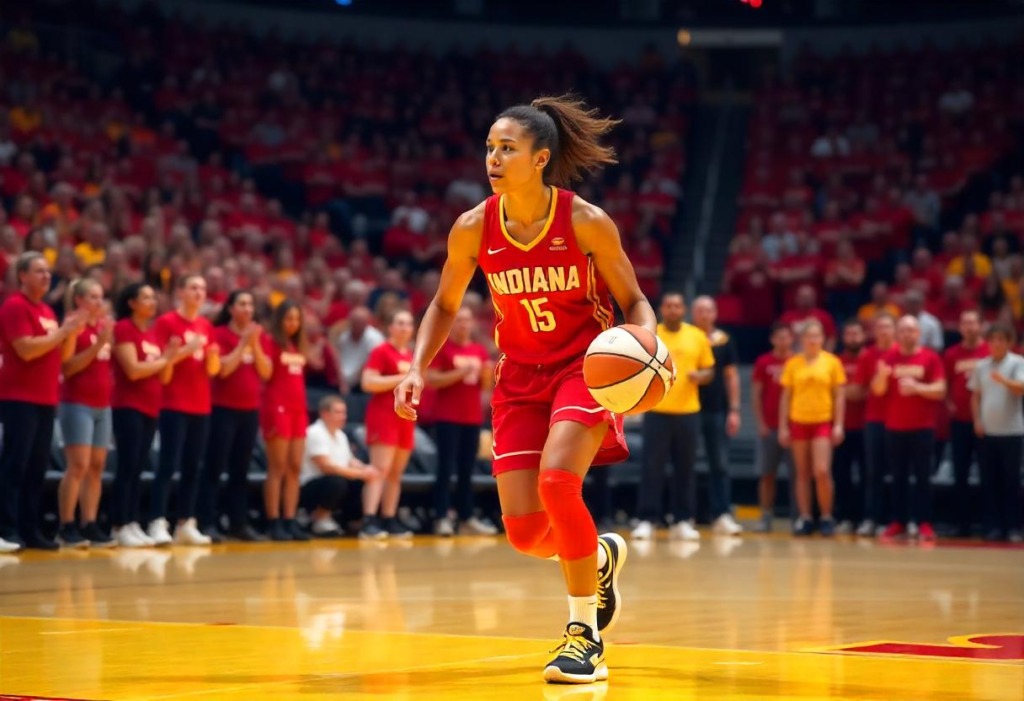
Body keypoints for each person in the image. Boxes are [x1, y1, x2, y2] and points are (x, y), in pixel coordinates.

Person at [392, 95, 653, 684]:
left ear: (540, 158)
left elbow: (635, 301)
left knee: (559, 482)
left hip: (583, 370)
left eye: (506, 148)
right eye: (489, 147)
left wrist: (646, 346)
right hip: (517, 378)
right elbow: (443, 304)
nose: (493, 157)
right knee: (528, 534)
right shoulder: (472, 228)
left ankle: (583, 637)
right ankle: (601, 556)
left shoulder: (585, 220)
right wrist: (414, 368)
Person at [0, 252, 85, 551]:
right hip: (19, 397)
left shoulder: (48, 311)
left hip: (46, 398)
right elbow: (25, 350)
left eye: (49, 272)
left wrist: (71, 333)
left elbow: (60, 356)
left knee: (36, 467)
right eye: (39, 271)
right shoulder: (14, 306)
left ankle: (29, 529)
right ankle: (6, 530)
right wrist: (63, 331)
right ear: (22, 276)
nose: (47, 276)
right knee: (15, 465)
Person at [632, 292, 713, 541]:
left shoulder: (697, 336)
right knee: (651, 468)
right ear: (661, 310)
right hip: (656, 411)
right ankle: (647, 519)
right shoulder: (652, 335)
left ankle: (682, 520)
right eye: (669, 306)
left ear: (684, 309)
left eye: (677, 306)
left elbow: (709, 368)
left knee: (685, 469)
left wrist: (702, 376)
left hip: (688, 412)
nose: (673, 310)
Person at [149, 274, 220, 546]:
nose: (199, 292)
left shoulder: (205, 325)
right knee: (168, 464)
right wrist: (187, 350)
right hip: (173, 403)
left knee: (193, 466)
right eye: (193, 287)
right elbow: (161, 365)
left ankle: (185, 522)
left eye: (203, 288)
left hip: (201, 404)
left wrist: (213, 357)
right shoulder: (167, 322)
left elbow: (213, 370)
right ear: (181, 292)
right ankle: (157, 521)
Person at [109, 283, 178, 548]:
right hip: (128, 405)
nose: (152, 302)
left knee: (138, 467)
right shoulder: (124, 328)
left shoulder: (152, 333)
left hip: (151, 406)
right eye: (146, 298)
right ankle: (119, 524)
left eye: (153, 297)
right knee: (127, 467)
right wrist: (168, 358)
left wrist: (168, 359)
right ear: (132, 303)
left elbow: (164, 375)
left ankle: (132, 522)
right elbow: (134, 370)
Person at [201, 290, 272, 542]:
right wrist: (243, 344)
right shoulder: (220, 334)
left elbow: (266, 372)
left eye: (250, 304)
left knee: (240, 470)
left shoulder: (258, 337)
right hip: (222, 409)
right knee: (214, 467)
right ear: (230, 309)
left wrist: (254, 345)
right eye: (242, 304)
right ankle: (207, 522)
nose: (248, 309)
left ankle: (238, 524)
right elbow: (223, 370)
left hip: (249, 410)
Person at [871, 315, 946, 541]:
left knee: (923, 477)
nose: (906, 334)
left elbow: (940, 390)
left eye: (911, 330)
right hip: (894, 427)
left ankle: (924, 522)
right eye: (902, 330)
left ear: (918, 333)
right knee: (897, 477)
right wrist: (882, 376)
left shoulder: (930, 358)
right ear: (897, 334)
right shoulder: (888, 358)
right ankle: (898, 522)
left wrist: (917, 387)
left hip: (923, 427)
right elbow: (877, 390)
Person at [425, 306, 497, 536]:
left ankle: (466, 517)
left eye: (467, 320)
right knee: (445, 468)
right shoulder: (443, 348)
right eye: (459, 320)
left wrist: (487, 373)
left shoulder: (479, 350)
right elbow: (432, 380)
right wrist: (460, 372)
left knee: (467, 469)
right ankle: (442, 517)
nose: (463, 324)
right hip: (447, 417)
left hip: (472, 417)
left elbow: (485, 386)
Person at [56, 279, 115, 548]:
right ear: (79, 300)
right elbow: (67, 367)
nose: (98, 302)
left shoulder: (100, 327)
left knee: (97, 466)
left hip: (103, 404)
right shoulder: (72, 324)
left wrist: (103, 339)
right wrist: (96, 345)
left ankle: (88, 523)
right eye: (92, 296)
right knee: (78, 465)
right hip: (76, 402)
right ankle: (66, 524)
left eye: (100, 297)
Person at [779, 320, 846, 536]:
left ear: (823, 339)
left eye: (817, 336)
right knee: (802, 473)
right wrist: (783, 426)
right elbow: (786, 397)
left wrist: (838, 424)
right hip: (799, 421)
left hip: (822, 421)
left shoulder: (832, 362)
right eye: (809, 336)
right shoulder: (793, 363)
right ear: (802, 339)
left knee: (822, 471)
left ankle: (826, 517)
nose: (813, 340)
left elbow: (840, 396)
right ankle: (805, 517)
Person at [361, 309, 417, 540]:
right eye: (400, 323)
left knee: (395, 474)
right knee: (379, 471)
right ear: (391, 328)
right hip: (383, 416)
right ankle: (369, 520)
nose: (404, 327)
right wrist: (401, 379)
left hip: (405, 418)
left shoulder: (412, 356)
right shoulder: (381, 351)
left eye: (408, 323)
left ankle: (389, 517)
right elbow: (368, 382)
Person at [692, 295, 744, 535]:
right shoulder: (686, 338)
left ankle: (721, 514)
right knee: (685, 464)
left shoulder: (724, 340)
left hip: (717, 410)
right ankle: (684, 515)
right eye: (700, 310)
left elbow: (731, 377)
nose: (704, 314)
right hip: (687, 409)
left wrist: (734, 410)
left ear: (715, 314)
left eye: (708, 310)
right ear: (693, 314)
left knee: (720, 464)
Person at [969, 324, 1024, 543]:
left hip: (1012, 432)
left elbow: (1021, 388)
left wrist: (1003, 380)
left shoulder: (1017, 362)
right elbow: (975, 396)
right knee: (989, 482)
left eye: (1001, 339)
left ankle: (1013, 527)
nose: (997, 343)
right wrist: (977, 420)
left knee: (1011, 482)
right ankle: (992, 527)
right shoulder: (981, 366)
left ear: (1009, 342)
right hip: (988, 432)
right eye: (993, 339)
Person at [261, 300, 311, 542]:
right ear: (280, 320)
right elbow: (267, 374)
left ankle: (290, 520)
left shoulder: (297, 346)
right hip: (276, 408)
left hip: (298, 410)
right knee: (277, 467)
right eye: (289, 318)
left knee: (295, 468)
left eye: (297, 319)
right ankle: (273, 520)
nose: (293, 323)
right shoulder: (270, 342)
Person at [300, 395, 380, 536]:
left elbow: (351, 461)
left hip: (333, 481)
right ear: (324, 414)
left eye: (344, 412)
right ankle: (316, 518)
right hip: (310, 487)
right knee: (337, 481)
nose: (343, 416)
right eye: (338, 412)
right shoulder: (315, 432)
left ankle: (351, 521)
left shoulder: (340, 435)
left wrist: (367, 469)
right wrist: (359, 473)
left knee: (359, 481)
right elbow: (326, 467)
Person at [943, 310, 989, 537]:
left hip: (988, 424)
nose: (969, 327)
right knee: (959, 474)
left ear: (981, 325)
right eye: (964, 323)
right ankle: (961, 525)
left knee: (987, 474)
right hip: (960, 422)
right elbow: (946, 386)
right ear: (960, 328)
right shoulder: (951, 354)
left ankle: (989, 524)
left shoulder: (990, 351)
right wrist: (949, 403)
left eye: (973, 323)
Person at [851, 313, 896, 537]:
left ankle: (894, 520)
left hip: (899, 422)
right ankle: (871, 518)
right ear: (874, 332)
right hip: (874, 420)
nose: (884, 331)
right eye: (880, 327)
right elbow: (859, 388)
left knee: (897, 473)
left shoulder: (901, 353)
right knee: (873, 472)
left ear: (894, 330)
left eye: (888, 327)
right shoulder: (867, 355)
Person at [751, 323, 795, 533]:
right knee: (767, 474)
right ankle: (766, 516)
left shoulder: (798, 362)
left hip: (795, 427)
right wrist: (760, 423)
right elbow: (756, 395)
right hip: (769, 426)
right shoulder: (764, 362)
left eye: (787, 337)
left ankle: (798, 518)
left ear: (792, 340)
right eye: (780, 337)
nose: (783, 341)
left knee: (798, 475)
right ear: (773, 340)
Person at [834, 320, 866, 532]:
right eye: (849, 334)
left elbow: (868, 391)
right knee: (841, 474)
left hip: (866, 426)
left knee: (868, 474)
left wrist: (841, 392)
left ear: (863, 336)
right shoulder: (835, 361)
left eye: (856, 334)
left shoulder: (870, 358)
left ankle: (865, 518)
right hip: (841, 426)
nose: (852, 338)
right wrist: (853, 391)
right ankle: (844, 518)